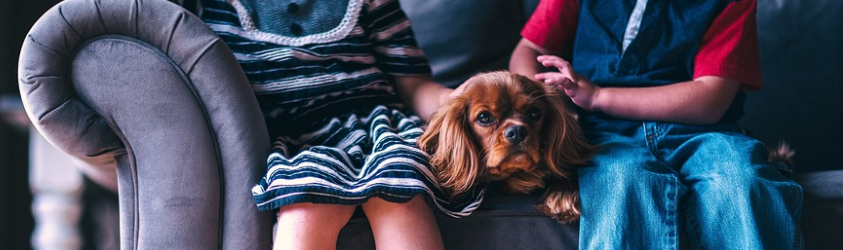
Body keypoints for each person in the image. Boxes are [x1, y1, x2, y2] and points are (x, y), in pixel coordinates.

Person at [509, 0, 803, 249]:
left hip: (702, 132)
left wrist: (599, 96)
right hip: (606, 134)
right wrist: (549, 103)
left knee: (742, 180)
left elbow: (710, 101)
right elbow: (527, 49)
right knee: (622, 181)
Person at [196, 0, 478, 249]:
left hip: (379, 129)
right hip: (299, 141)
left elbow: (416, 86)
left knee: (398, 191)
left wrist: (460, 99)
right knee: (304, 210)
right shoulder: (220, 8)